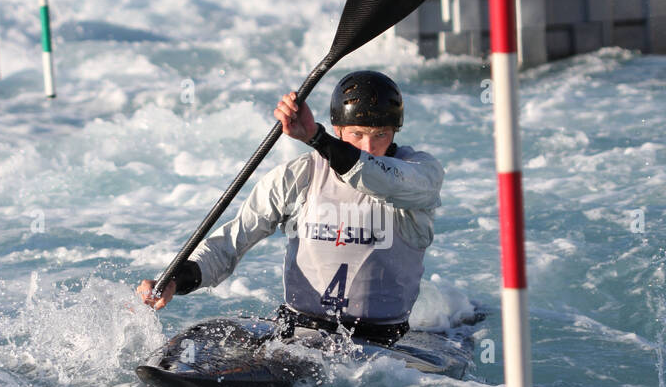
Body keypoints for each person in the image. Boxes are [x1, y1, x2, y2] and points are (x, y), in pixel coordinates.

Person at [137, 71, 443, 344]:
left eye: (380, 135)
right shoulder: (298, 176)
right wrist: (177, 278)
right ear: (339, 129)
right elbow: (230, 243)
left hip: (381, 344)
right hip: (299, 334)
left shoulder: (419, 174)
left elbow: (376, 177)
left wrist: (315, 137)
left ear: (395, 132)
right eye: (357, 134)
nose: (367, 146)